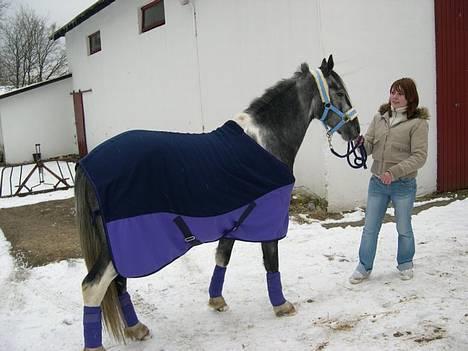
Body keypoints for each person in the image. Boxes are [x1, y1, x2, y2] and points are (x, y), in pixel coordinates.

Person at [349, 77, 429, 284]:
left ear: (410, 98)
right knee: (369, 228)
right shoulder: (380, 117)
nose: (394, 96)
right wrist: (360, 144)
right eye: (393, 92)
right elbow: (368, 145)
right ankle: (363, 267)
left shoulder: (417, 123)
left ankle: (405, 263)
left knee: (403, 227)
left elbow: (419, 156)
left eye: (400, 93)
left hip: (403, 185)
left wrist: (394, 172)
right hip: (377, 183)